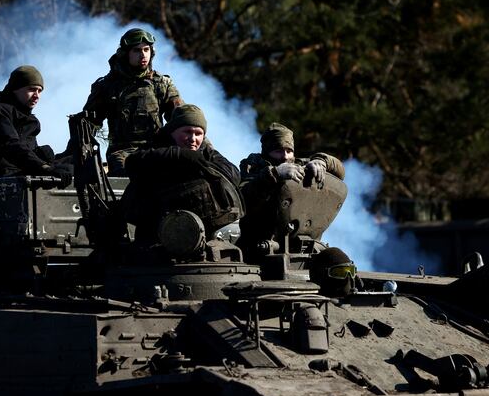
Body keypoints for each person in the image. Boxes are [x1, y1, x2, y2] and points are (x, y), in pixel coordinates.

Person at [121, 104, 241, 240]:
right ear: (173, 131)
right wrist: (177, 155)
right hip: (155, 233)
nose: (193, 138)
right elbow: (133, 163)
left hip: (200, 234)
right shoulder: (156, 148)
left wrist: (203, 167)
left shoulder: (206, 153)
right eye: (187, 132)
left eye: (198, 134)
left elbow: (233, 174)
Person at [82, 28, 184, 176]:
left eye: (146, 50)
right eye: (137, 50)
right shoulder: (107, 86)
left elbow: (182, 118)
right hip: (122, 152)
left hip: (156, 150)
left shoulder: (161, 84)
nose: (143, 55)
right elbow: (87, 125)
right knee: (126, 179)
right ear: (125, 54)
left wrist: (207, 151)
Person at [238, 122, 345, 258]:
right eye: (278, 151)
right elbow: (243, 198)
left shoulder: (300, 166)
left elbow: (340, 171)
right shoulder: (253, 169)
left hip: (301, 248)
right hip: (257, 250)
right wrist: (274, 174)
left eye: (289, 151)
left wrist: (322, 161)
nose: (285, 156)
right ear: (267, 152)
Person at [0, 65, 72, 184]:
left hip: (21, 173)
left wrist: (43, 156)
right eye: (31, 89)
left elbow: (26, 151)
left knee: (73, 164)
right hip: (1, 178)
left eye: (39, 91)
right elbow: (11, 145)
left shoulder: (29, 119)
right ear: (16, 88)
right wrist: (44, 167)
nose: (37, 96)